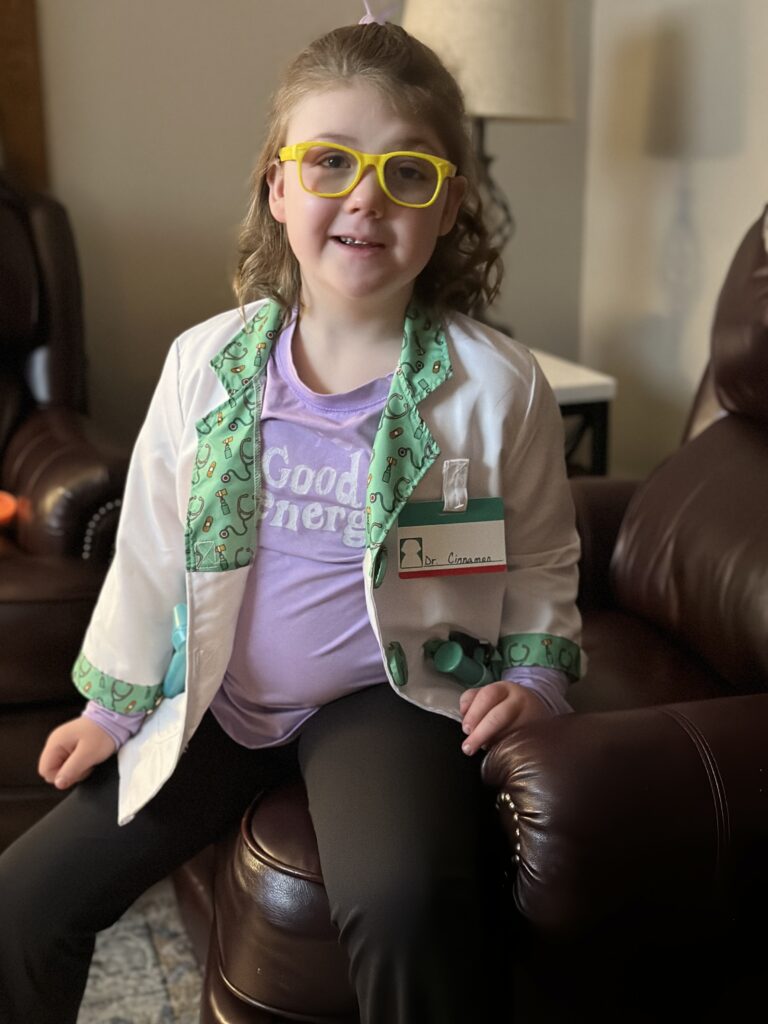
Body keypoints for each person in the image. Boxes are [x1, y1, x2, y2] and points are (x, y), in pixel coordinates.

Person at [0, 10, 582, 1024]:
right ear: (279, 187)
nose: (366, 196)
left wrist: (534, 678)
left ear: (450, 206)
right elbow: (148, 552)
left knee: (403, 899)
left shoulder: (497, 387)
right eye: (330, 162)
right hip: (217, 695)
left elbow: (537, 555)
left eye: (408, 172)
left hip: (382, 693)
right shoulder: (203, 366)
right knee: (21, 899)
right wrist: (111, 711)